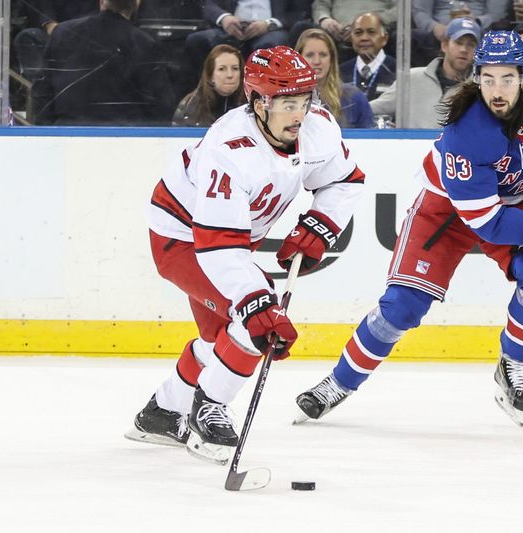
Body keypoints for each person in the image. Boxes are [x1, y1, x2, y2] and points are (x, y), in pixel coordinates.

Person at [294, 31, 523, 428]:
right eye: (488, 78)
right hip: (448, 211)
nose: (497, 91)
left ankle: (513, 366)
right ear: (476, 77)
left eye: (507, 78)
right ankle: (337, 383)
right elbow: (487, 222)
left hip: (514, 201)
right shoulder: (467, 132)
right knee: (403, 306)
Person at [125, 45, 366, 464]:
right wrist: (255, 301)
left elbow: (343, 180)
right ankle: (210, 407)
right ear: (258, 102)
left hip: (233, 238)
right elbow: (217, 245)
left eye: (304, 100)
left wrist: (320, 224)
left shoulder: (318, 128)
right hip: (182, 238)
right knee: (257, 319)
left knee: (218, 339)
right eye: (287, 103)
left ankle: (162, 413)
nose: (299, 114)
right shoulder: (229, 149)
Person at [31, 0, 175, 125]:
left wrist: (50, 134)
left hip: (66, 138)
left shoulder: (62, 32)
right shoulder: (145, 44)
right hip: (125, 141)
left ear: (101, 1)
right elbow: (162, 108)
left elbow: (42, 92)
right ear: (137, 3)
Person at [370, 17, 480, 128]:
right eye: (458, 43)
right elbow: (371, 110)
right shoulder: (411, 78)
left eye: (471, 45)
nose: (464, 50)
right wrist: (387, 130)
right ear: (444, 45)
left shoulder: (482, 88)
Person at [296, 28, 374, 128]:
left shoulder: (354, 97)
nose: (317, 61)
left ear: (331, 59)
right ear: (298, 60)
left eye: (323, 55)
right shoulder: (286, 99)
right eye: (310, 55)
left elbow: (369, 136)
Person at [412, 0, 507, 66]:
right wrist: (434, 27)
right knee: (411, 37)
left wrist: (476, 22)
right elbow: (420, 11)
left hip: (478, 29)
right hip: (439, 31)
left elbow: (497, 14)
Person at [173, 44, 246, 126]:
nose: (230, 75)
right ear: (210, 76)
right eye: (222, 69)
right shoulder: (191, 105)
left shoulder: (252, 103)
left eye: (235, 68)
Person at [338, 12, 396, 101]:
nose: (364, 38)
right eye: (358, 33)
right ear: (351, 38)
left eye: (371, 32)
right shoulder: (339, 72)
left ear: (385, 38)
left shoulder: (398, 71)